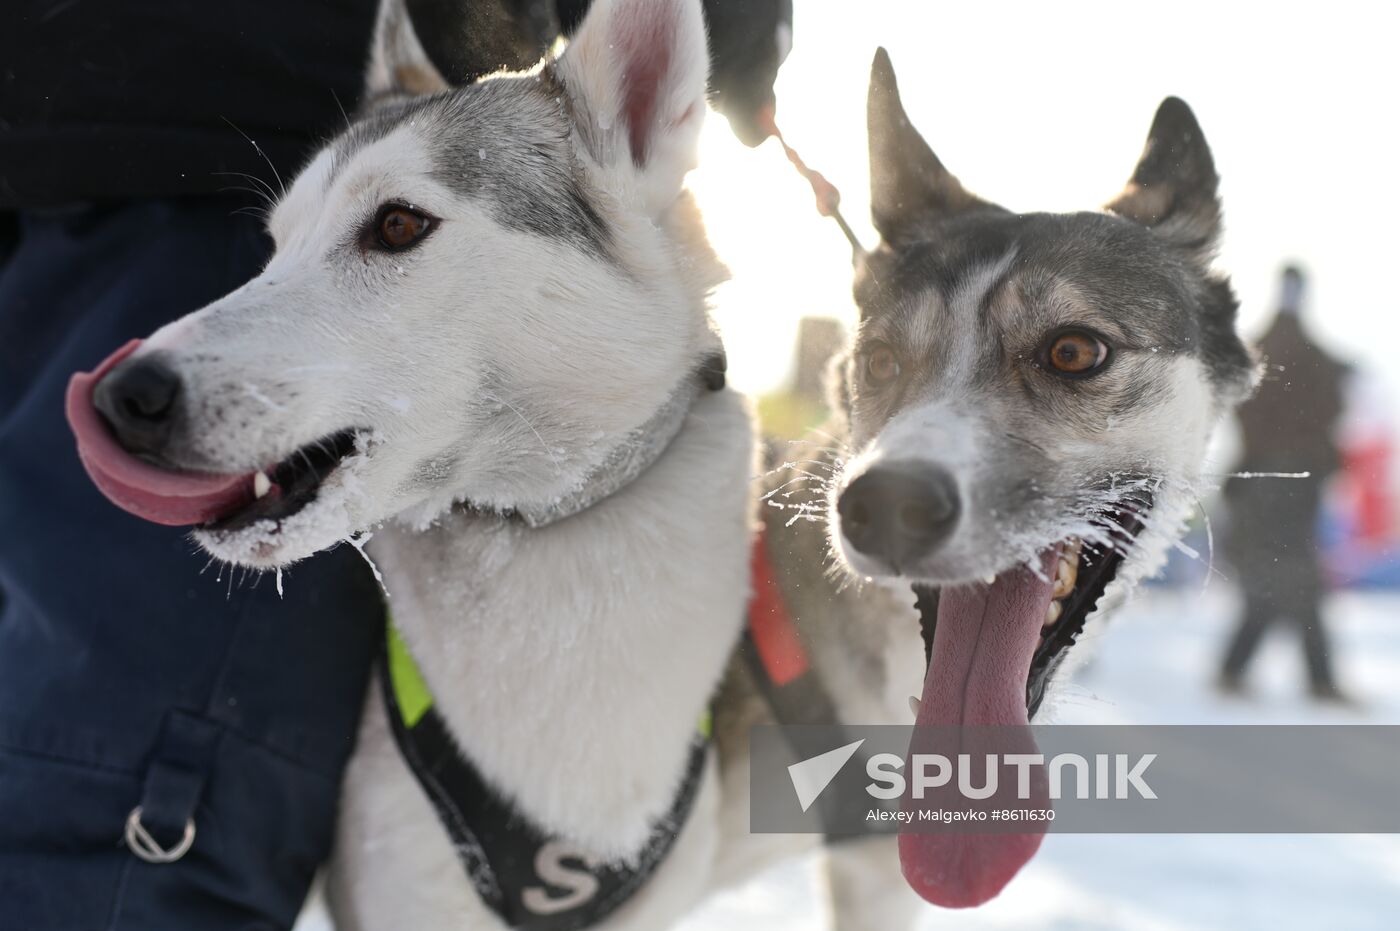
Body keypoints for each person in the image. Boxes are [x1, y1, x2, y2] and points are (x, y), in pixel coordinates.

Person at [0, 2, 790, 928]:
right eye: (286, 249)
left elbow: (866, 777)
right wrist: (751, 40)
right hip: (171, 138)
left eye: (398, 229)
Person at [1218, 265, 1353, 703]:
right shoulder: (1289, 354)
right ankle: (1318, 679)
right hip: (1277, 481)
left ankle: (1236, 669)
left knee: (1276, 586)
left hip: (1276, 482)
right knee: (1292, 583)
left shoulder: (1273, 350)